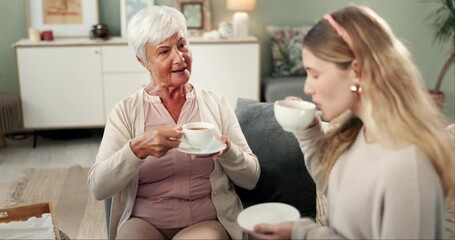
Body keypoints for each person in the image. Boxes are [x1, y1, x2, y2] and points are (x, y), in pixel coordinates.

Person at [250, 4, 455, 240]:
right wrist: (308, 130)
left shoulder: (408, 167)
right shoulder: (360, 131)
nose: (307, 87)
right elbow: (339, 189)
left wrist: (304, 233)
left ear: (356, 70)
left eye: (315, 74)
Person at [87, 5, 260, 240]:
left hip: (205, 222)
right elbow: (98, 187)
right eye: (164, 51)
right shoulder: (125, 112)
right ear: (143, 61)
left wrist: (227, 151)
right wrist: (136, 149)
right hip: (144, 222)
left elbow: (251, 178)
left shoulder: (216, 103)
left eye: (182, 45)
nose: (179, 58)